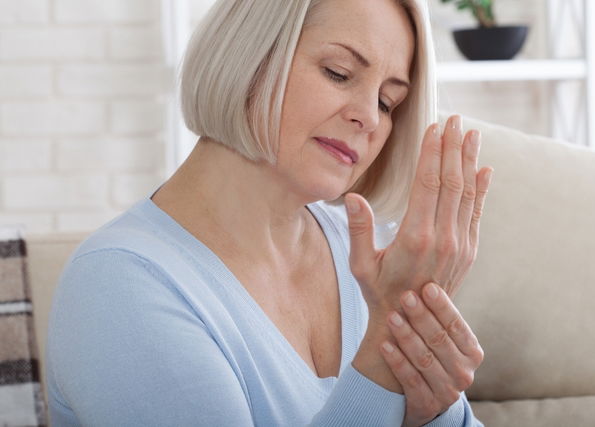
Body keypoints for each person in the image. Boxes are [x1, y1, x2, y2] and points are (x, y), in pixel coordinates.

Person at [46, 0, 493, 425]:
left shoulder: (376, 259)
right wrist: (386, 354)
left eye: (386, 102)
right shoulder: (117, 285)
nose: (369, 119)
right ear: (250, 55)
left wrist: (432, 413)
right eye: (339, 73)